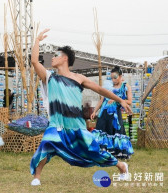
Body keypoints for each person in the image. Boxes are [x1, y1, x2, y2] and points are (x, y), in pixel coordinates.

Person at [29, 29, 132, 186]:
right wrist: (36, 40)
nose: (52, 58)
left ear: (64, 58)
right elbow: (35, 62)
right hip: (57, 123)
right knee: (47, 143)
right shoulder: (50, 77)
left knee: (94, 151)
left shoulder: (79, 78)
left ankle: (121, 166)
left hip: (76, 125)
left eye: (55, 55)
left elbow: (100, 90)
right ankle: (37, 177)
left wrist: (120, 100)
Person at [90, 66, 134, 159]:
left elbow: (129, 101)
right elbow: (101, 100)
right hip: (104, 113)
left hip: (115, 115)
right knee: (102, 131)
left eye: (115, 77)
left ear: (121, 76)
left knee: (117, 132)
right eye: (112, 78)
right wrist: (94, 111)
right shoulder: (108, 86)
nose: (113, 80)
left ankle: (117, 153)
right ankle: (101, 152)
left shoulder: (125, 87)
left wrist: (115, 100)